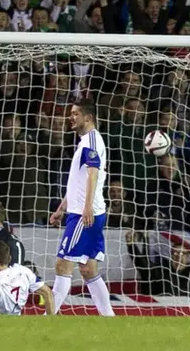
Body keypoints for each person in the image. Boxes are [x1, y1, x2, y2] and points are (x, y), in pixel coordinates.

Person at [48, 99, 115, 316]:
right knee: (88, 269)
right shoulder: (85, 141)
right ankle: (110, 318)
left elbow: (93, 175)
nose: (71, 117)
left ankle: (47, 317)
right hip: (84, 212)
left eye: (76, 113)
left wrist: (86, 208)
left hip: (84, 215)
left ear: (88, 117)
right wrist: (61, 208)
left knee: (63, 265)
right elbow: (77, 180)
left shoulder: (92, 142)